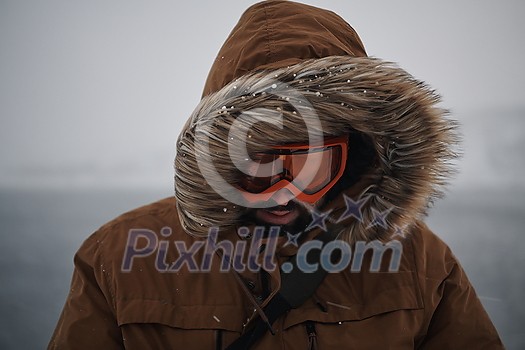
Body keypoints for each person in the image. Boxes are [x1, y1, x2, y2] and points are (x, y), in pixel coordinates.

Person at [48, 1, 504, 349]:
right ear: (216, 160)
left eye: (312, 166)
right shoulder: (119, 256)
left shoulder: (419, 262)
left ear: (359, 155)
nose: (284, 197)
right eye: (259, 165)